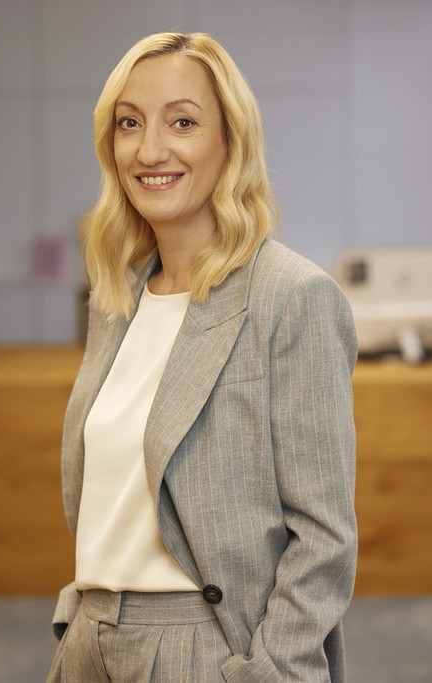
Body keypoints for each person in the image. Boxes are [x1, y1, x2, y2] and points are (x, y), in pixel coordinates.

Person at [46, 31, 357, 682]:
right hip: (90, 643)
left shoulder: (290, 297)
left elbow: (324, 536)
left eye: (182, 122)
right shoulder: (117, 297)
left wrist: (269, 671)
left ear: (230, 142)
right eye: (130, 123)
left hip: (205, 649)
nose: (149, 150)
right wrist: (80, 622)